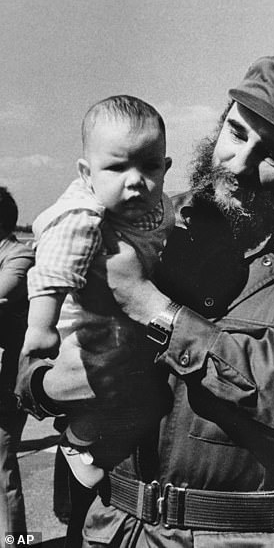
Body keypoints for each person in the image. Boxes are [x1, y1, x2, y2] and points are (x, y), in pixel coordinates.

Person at [17, 56, 274, 547]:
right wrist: (51, 387)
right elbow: (33, 360)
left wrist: (149, 304)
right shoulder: (145, 221)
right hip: (114, 528)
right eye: (236, 133)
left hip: (239, 537)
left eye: (273, 154)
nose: (240, 163)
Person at [20, 95, 174, 490]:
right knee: (107, 384)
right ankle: (76, 441)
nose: (136, 179)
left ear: (166, 166)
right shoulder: (82, 215)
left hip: (124, 320)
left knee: (136, 393)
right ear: (87, 172)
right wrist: (42, 326)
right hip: (86, 325)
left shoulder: (162, 208)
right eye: (117, 167)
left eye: (150, 165)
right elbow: (54, 268)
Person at [0, 188, 34, 539]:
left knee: (2, 471)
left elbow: (3, 293)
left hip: (6, 382)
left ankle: (18, 543)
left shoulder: (19, 256)